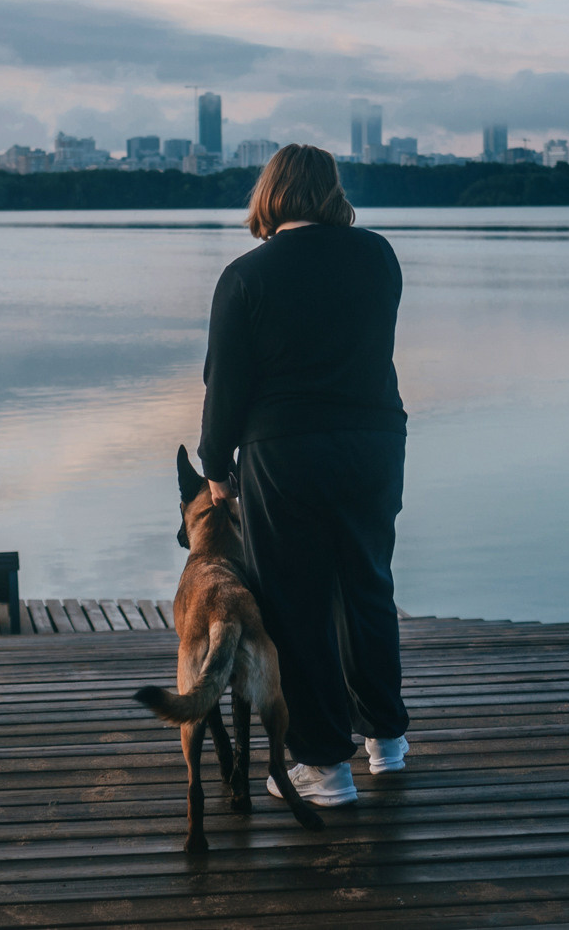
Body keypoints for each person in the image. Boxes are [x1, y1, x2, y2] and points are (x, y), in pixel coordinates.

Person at [196, 143, 410, 807]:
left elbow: (224, 385)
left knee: (298, 601)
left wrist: (215, 467)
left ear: (270, 193)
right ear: (330, 191)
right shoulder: (378, 256)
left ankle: (324, 766)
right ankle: (387, 740)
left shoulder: (245, 275)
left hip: (286, 451)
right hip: (374, 442)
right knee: (367, 584)